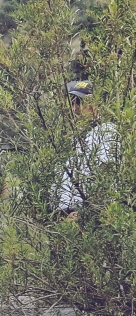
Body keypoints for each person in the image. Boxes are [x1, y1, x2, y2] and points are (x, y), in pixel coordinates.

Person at [55, 80, 119, 218]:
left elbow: (105, 175)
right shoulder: (76, 137)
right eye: (72, 102)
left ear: (94, 103)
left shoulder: (105, 132)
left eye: (79, 101)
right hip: (64, 218)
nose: (74, 107)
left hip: (88, 218)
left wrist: (85, 214)